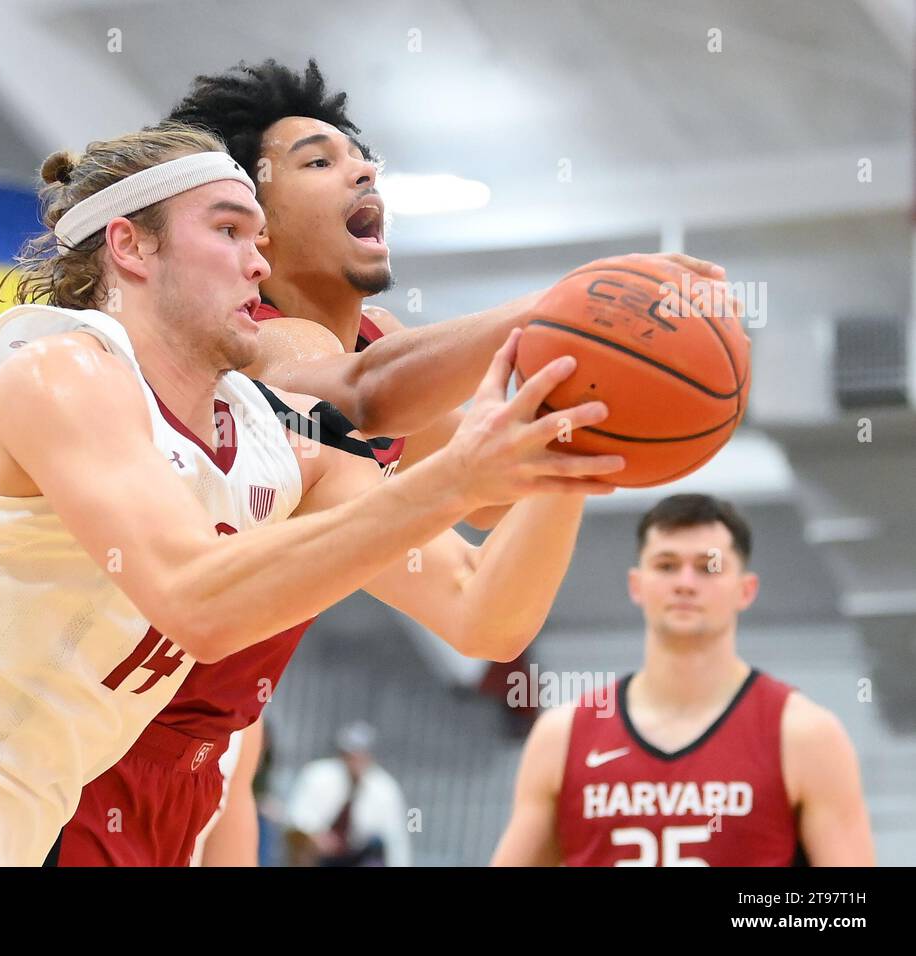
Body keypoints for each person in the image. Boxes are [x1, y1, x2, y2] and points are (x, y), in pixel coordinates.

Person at [0, 123, 619, 867]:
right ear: (130, 247)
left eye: (260, 238)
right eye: (228, 230)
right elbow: (198, 601)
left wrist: (582, 442)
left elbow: (484, 614)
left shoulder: (268, 442)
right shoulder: (57, 367)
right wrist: (456, 468)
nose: (259, 264)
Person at [61, 59, 723, 866]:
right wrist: (580, 308)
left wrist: (578, 425)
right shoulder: (255, 345)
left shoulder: (374, 355)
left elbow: (488, 610)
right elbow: (366, 395)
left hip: (191, 759)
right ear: (247, 223)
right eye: (318, 160)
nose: (363, 168)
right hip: (65, 750)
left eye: (360, 156)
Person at [490, 494, 875, 866]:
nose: (685, 583)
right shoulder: (562, 734)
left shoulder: (805, 735)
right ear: (636, 585)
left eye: (708, 567)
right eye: (667, 565)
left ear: (746, 590)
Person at [284, 721, 409, 866]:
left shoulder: (386, 788)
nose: (356, 760)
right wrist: (316, 836)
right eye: (352, 754)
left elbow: (395, 836)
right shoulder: (317, 775)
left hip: (359, 854)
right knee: (300, 843)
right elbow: (296, 816)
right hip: (319, 851)